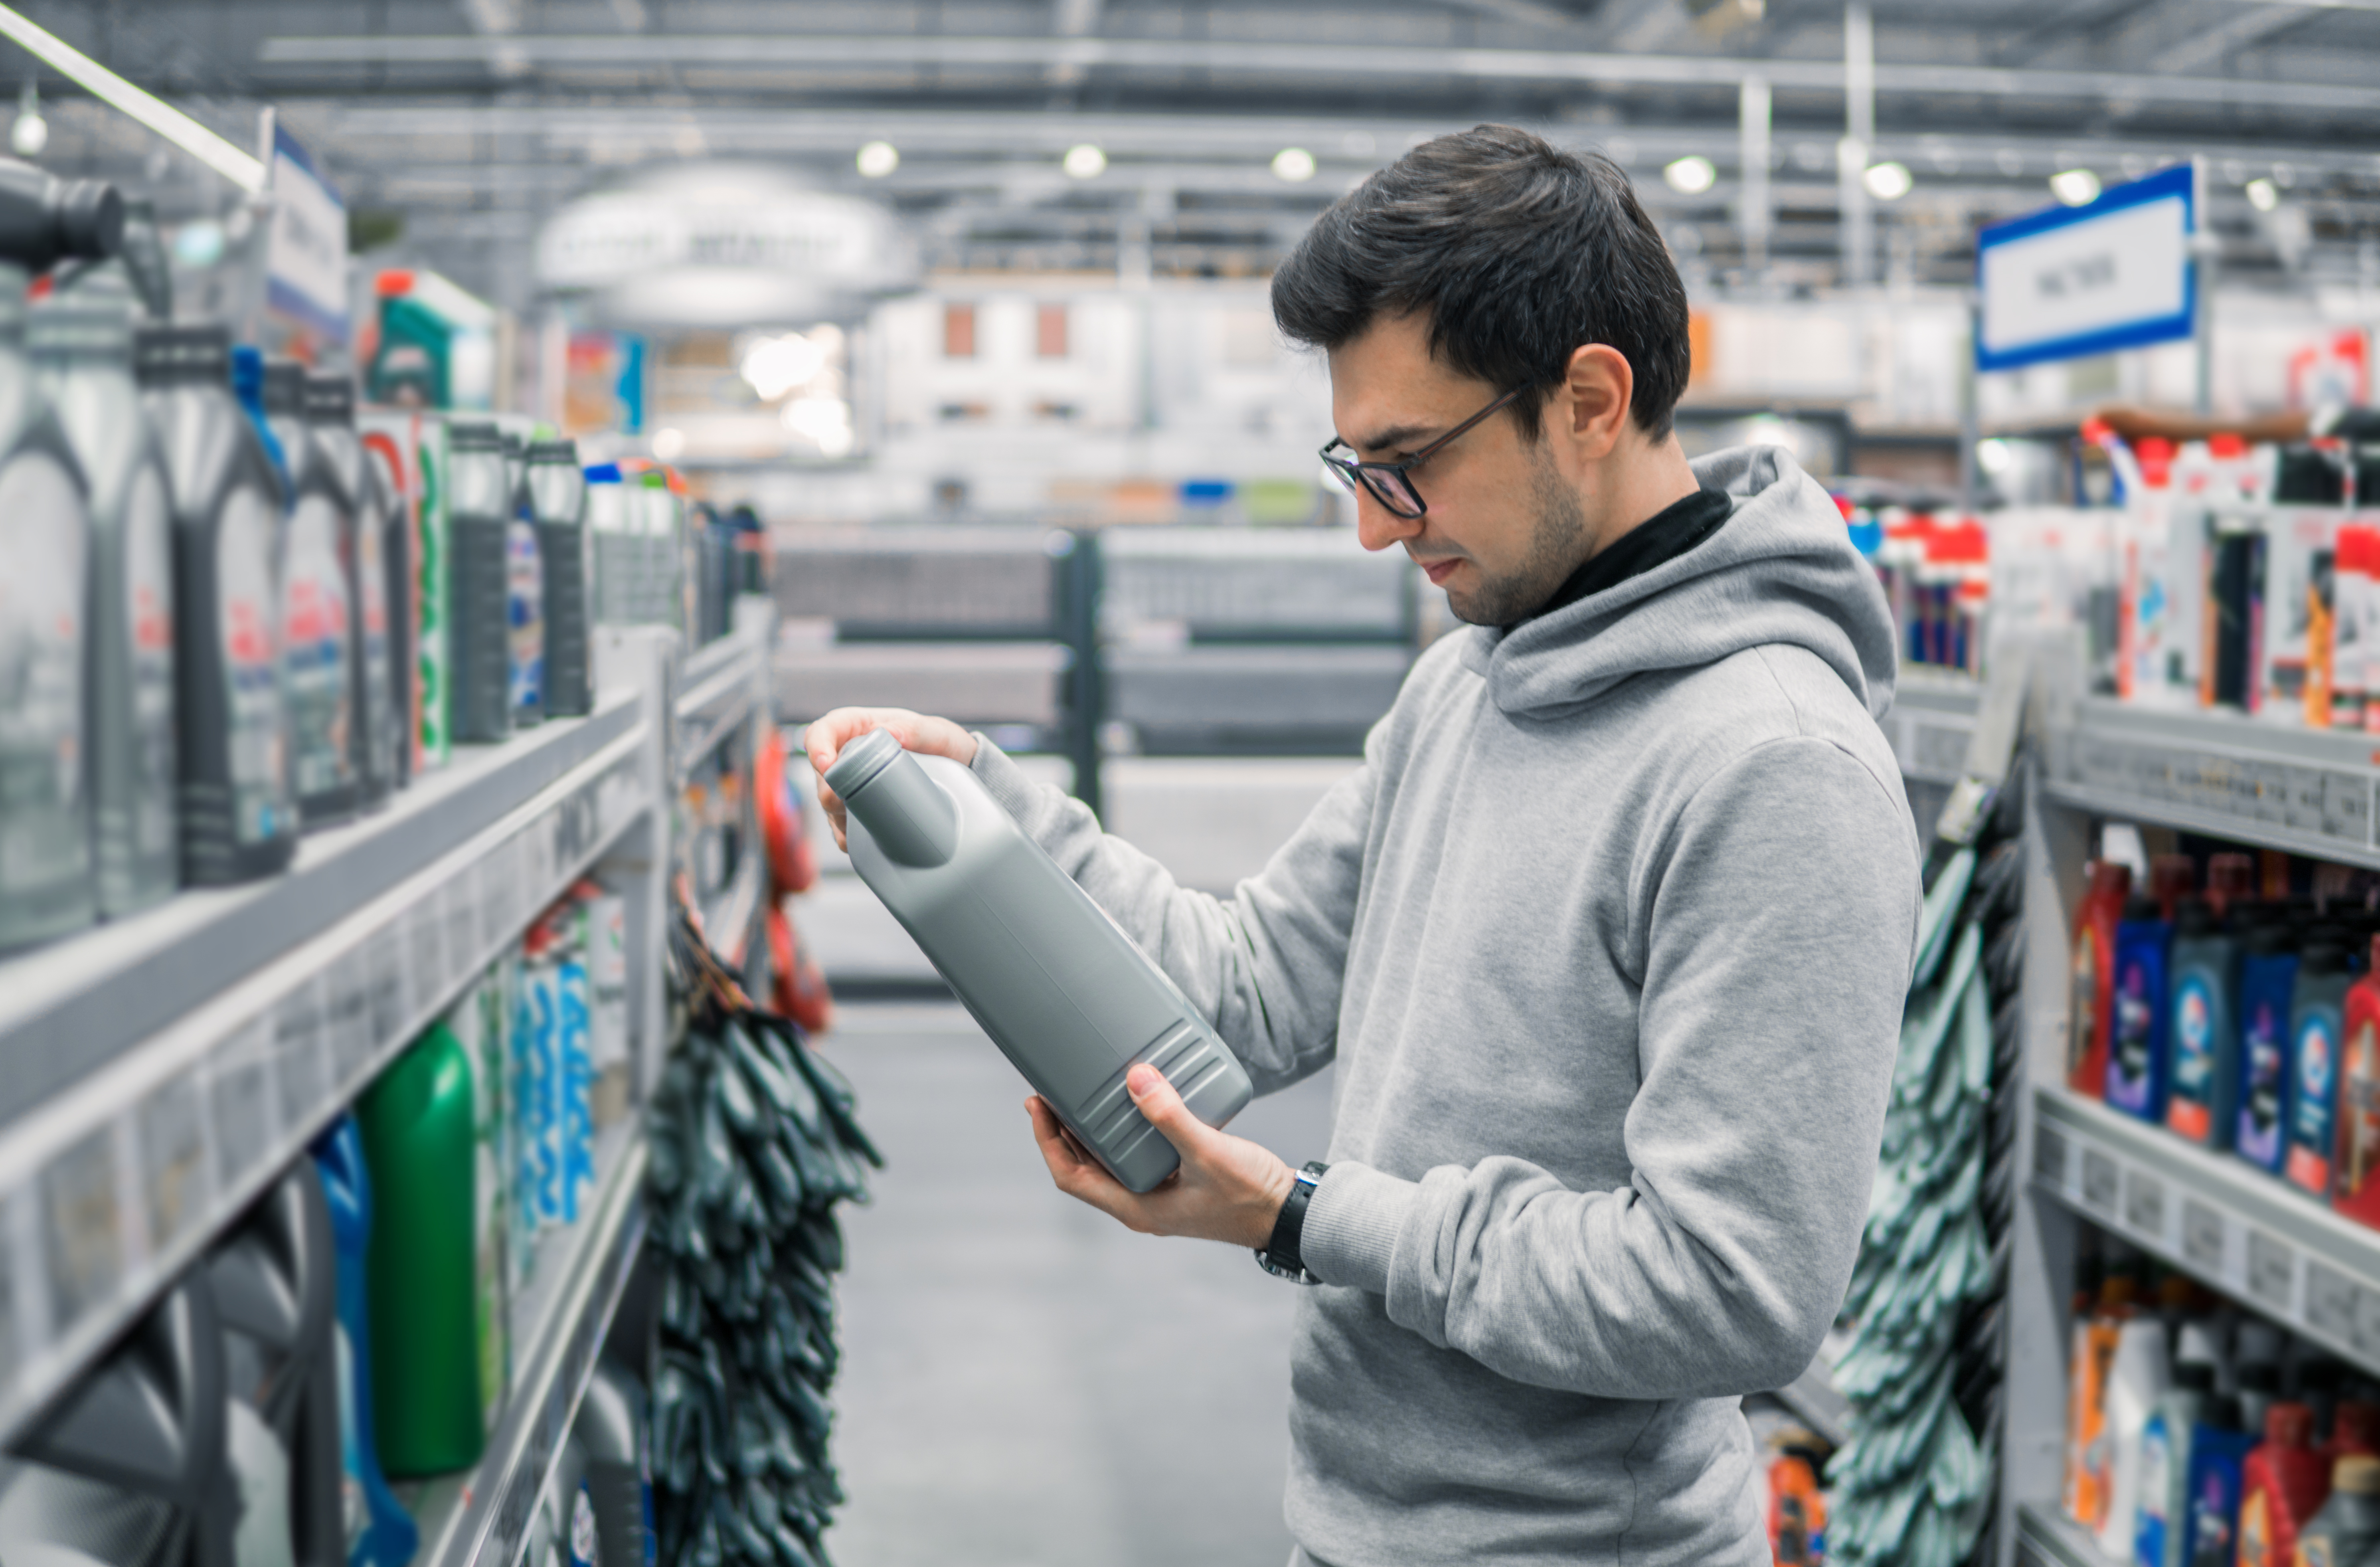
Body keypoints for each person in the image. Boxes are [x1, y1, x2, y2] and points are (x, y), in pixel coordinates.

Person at [806, 124, 1922, 1567]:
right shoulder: (1472, 679)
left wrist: (1305, 1218)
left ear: (1589, 398)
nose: (1370, 532)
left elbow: (1730, 1291)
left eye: (1406, 464)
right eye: (1356, 461)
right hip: (1355, 1529)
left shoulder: (1774, 768)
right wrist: (997, 822)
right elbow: (1256, 984)